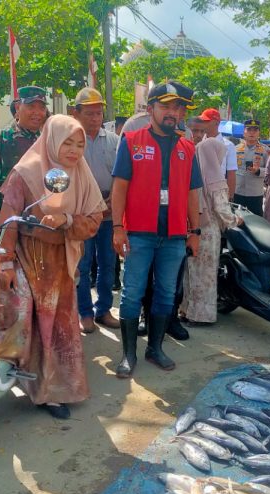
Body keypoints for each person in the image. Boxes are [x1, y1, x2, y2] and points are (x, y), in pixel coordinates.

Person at [0, 115, 105, 420]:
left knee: (57, 329)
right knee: (26, 325)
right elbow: (8, 220)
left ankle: (51, 391)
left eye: (80, 144)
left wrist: (67, 220)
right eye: (67, 142)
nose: (73, 150)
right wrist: (4, 261)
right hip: (28, 258)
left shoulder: (81, 175)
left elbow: (94, 221)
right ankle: (23, 382)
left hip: (63, 261)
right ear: (51, 139)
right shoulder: (25, 172)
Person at [111, 81, 202, 378]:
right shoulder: (132, 140)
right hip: (139, 232)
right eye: (166, 106)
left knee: (165, 294)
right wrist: (117, 227)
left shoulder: (188, 148)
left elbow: (192, 192)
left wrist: (195, 231)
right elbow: (119, 187)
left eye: (178, 108)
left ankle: (156, 348)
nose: (172, 113)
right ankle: (128, 354)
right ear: (150, 109)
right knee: (132, 294)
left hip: (175, 236)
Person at [73, 87, 121, 333]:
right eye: (90, 113)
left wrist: (112, 202)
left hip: (109, 211)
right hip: (81, 213)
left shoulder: (113, 140)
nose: (95, 118)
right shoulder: (71, 141)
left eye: (99, 113)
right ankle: (85, 313)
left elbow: (120, 176)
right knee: (82, 265)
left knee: (108, 263)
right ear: (77, 113)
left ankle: (104, 310)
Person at [182, 136, 242, 325]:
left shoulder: (192, 174)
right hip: (208, 232)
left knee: (191, 272)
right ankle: (201, 316)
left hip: (192, 228)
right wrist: (236, 220)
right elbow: (222, 208)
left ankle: (186, 311)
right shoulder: (216, 177)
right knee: (206, 274)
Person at [0, 86, 47, 229]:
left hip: (39, 220)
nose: (37, 113)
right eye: (31, 106)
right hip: (8, 219)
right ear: (18, 107)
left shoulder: (46, 141)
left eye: (42, 108)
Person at [197, 108, 238, 199]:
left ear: (216, 123)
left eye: (206, 121)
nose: (203, 123)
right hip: (199, 189)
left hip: (218, 190)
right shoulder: (198, 144)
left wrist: (230, 196)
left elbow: (231, 173)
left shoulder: (228, 146)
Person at [235, 118, 269, 216]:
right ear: (244, 132)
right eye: (249, 129)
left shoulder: (265, 150)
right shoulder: (235, 149)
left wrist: (258, 171)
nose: (252, 133)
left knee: (256, 223)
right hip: (238, 193)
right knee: (237, 222)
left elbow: (269, 171)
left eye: (255, 130)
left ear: (259, 133)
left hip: (255, 194)